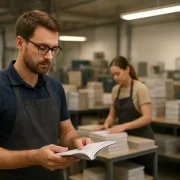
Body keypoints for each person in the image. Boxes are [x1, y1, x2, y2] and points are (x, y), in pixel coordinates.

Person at [0, 10, 92, 180]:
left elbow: (66, 130)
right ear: (20, 43)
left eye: (53, 49)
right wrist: (35, 157)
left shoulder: (54, 86)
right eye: (42, 48)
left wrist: (76, 142)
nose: (49, 57)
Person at [96, 56, 154, 175]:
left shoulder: (140, 88)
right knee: (126, 173)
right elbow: (112, 116)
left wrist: (123, 126)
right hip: (124, 139)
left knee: (142, 174)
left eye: (117, 73)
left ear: (127, 69)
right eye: (113, 75)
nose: (115, 78)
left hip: (142, 138)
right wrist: (106, 124)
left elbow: (147, 117)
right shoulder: (115, 90)